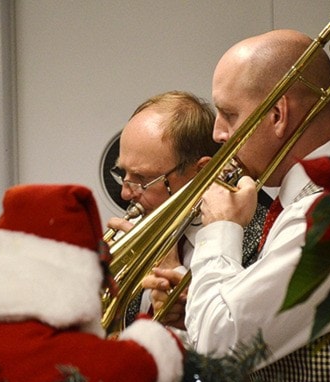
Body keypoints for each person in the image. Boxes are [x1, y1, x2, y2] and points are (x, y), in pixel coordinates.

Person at [182, 29, 330, 382]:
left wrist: (220, 230)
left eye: (229, 114)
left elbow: (217, 349)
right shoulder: (302, 204)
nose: (217, 133)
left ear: (278, 115)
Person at [106, 91, 269, 328]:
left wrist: (175, 275)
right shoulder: (134, 230)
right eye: (123, 174)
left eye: (142, 178)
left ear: (201, 170)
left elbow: (246, 348)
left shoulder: (262, 236)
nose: (125, 193)